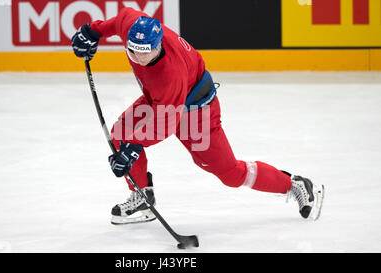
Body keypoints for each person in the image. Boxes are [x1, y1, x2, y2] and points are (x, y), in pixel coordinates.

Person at [71, 7, 324, 225]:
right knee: (121, 133)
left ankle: (295, 184)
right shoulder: (133, 27)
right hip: (160, 102)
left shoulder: (170, 75)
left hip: (196, 112)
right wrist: (93, 31)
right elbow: (118, 21)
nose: (137, 57)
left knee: (230, 173)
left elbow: (165, 123)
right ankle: (142, 199)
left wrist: (135, 145)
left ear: (158, 45)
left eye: (143, 52)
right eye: (132, 50)